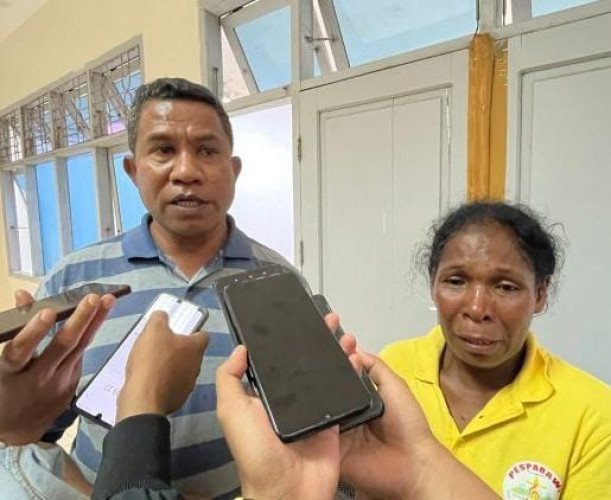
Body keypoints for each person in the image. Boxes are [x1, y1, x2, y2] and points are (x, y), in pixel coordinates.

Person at [34, 77, 294, 498]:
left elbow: (310, 420)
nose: (187, 171)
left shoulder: (279, 280)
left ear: (233, 170)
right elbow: (32, 435)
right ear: (133, 170)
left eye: (207, 151)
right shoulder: (75, 280)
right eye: (163, 150)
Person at [379, 201, 611, 498]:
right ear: (433, 283)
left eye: (505, 287)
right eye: (456, 281)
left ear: (540, 294)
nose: (477, 309)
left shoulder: (593, 415)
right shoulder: (392, 371)